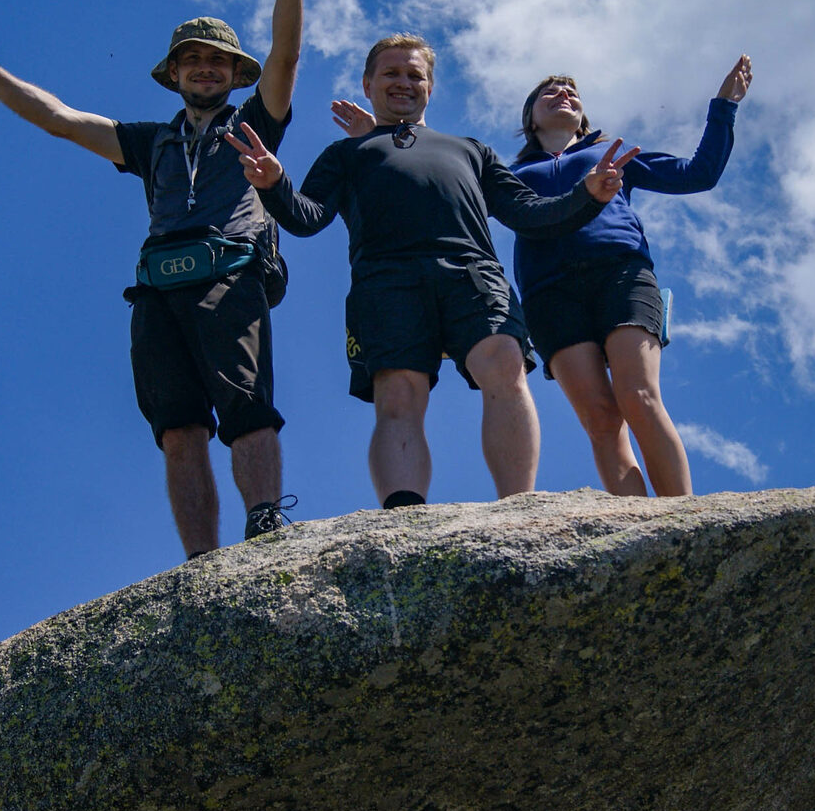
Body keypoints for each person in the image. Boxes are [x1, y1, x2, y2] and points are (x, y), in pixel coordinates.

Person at [0, 0, 324, 559]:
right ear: (174, 73)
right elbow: (57, 119)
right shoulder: (149, 142)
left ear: (234, 75)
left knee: (246, 409)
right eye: (194, 59)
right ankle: (202, 562)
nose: (206, 68)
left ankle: (264, 528)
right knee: (177, 427)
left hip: (230, 276)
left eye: (218, 61)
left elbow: (285, 57)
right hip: (157, 288)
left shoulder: (255, 124)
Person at [224, 34, 637, 509]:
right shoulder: (345, 154)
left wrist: (587, 195)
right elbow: (306, 217)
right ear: (368, 83)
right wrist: (275, 184)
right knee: (398, 394)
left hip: (472, 271)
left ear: (430, 87)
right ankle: (404, 514)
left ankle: (519, 507)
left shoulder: (470, 149)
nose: (403, 83)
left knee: (503, 364)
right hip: (385, 281)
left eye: (414, 75)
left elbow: (529, 213)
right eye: (391, 74)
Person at [506, 56, 752, 495]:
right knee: (601, 419)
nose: (564, 95)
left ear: (583, 117)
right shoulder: (509, 175)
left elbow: (698, 174)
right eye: (551, 92)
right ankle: (637, 532)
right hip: (549, 293)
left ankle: (683, 521)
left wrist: (724, 107)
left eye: (572, 93)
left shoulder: (612, 154)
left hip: (620, 273)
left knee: (638, 395)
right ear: (530, 118)